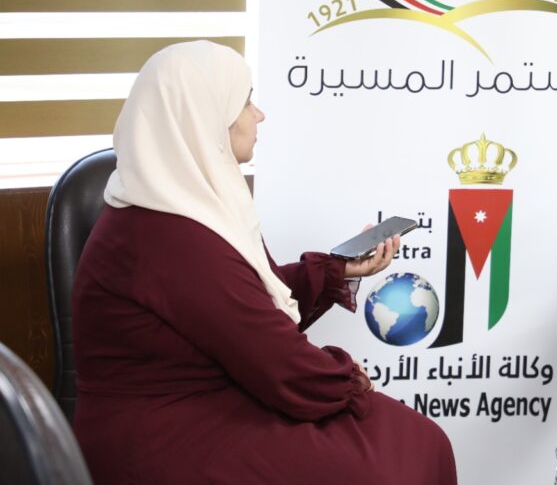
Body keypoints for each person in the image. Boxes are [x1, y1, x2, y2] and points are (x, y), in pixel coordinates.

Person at [72, 41, 458, 484]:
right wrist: (348, 377)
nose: (259, 115)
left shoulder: (179, 207)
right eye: (246, 102)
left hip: (206, 403)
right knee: (397, 457)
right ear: (206, 119)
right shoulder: (169, 235)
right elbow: (280, 364)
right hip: (162, 438)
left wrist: (337, 270)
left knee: (410, 441)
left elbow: (242, 301)